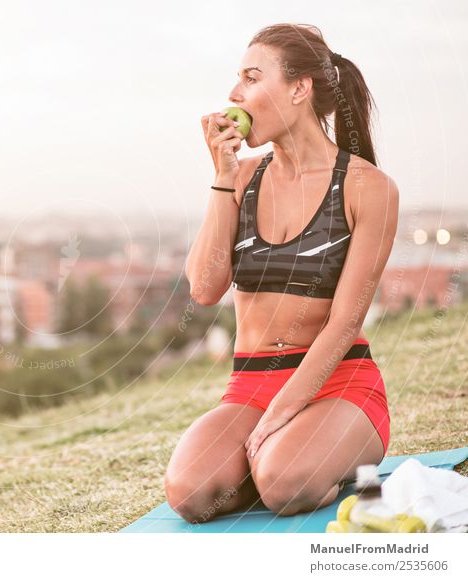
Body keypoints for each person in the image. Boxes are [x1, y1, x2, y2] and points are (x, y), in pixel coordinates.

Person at [163, 23, 399, 523]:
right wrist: (223, 178)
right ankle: (275, 461)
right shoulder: (243, 179)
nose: (234, 94)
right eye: (238, 79)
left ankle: (337, 458)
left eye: (251, 77)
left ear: (299, 89)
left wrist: (280, 415)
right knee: (191, 493)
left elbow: (344, 322)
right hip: (249, 386)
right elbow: (205, 289)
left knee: (285, 482)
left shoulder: (367, 186)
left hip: (338, 385)